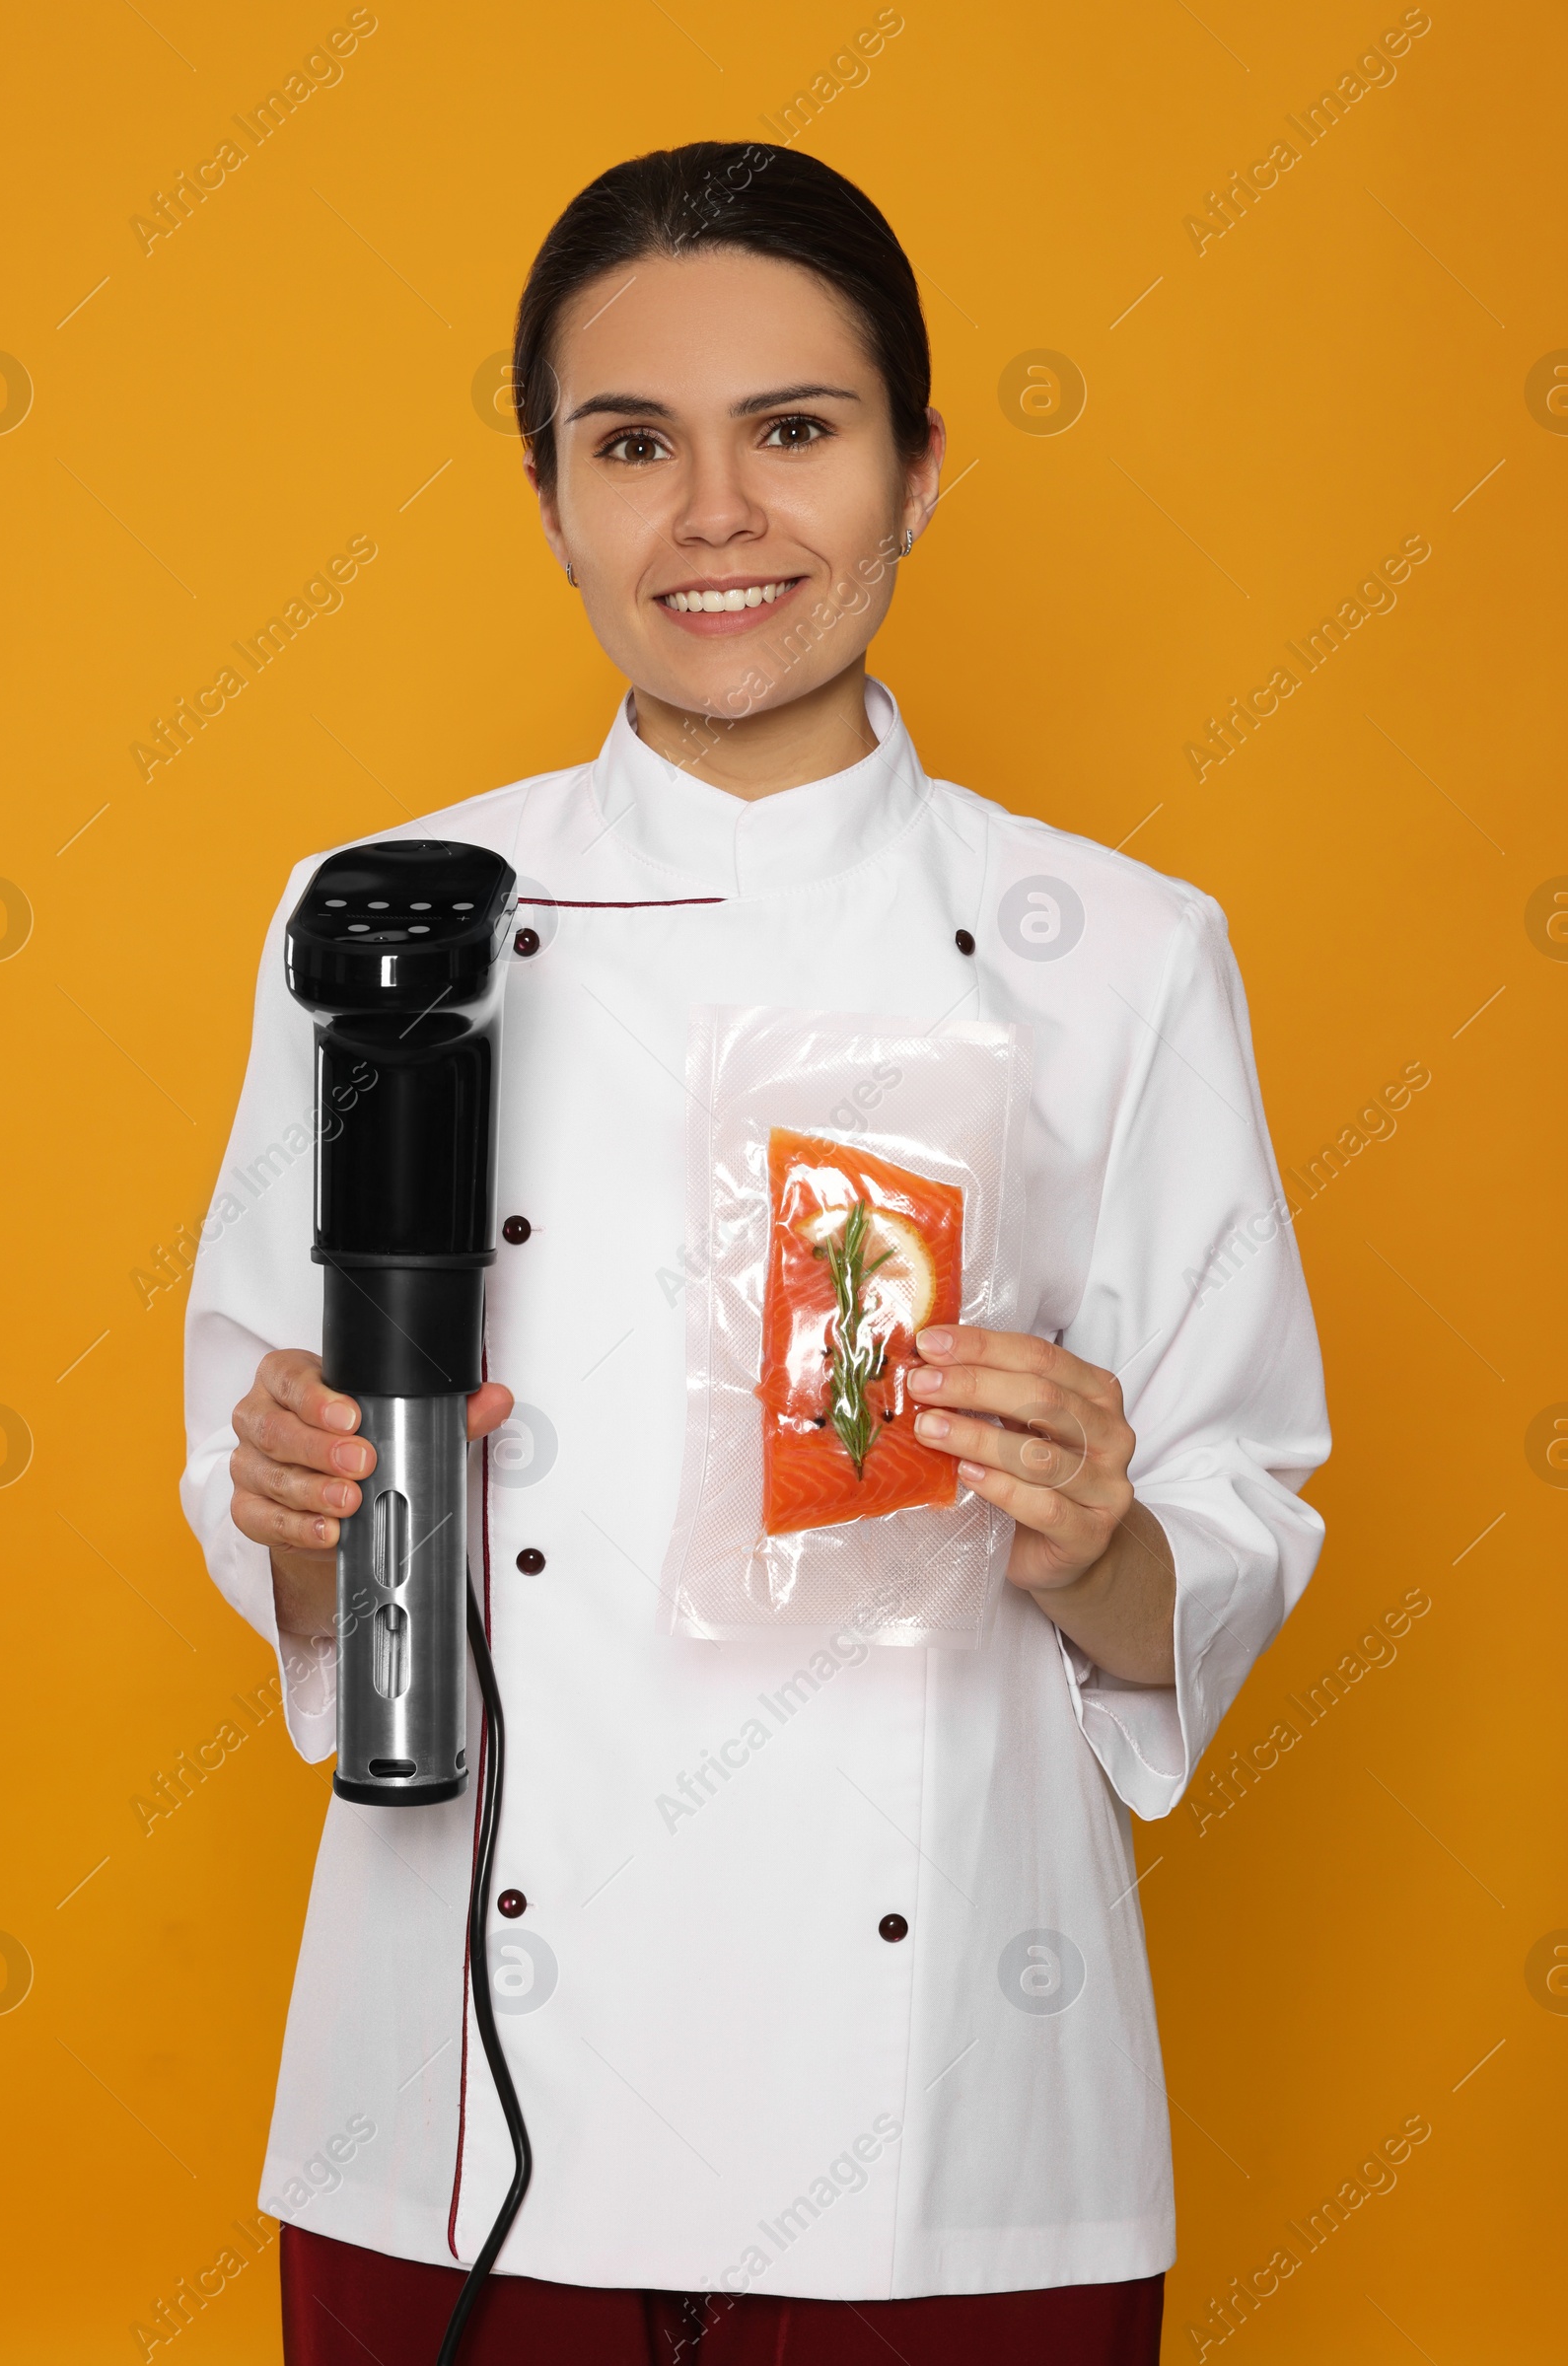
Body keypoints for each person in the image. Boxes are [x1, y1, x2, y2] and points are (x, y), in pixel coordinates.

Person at [181, 141, 1329, 2366]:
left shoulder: (1113, 957)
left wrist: (1092, 1529)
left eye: (791, 432)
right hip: (456, 2107)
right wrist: (300, 1511)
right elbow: (281, 1534)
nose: (713, 515)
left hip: (943, 2135)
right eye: (631, 445)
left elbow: (1227, 1523)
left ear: (913, 473)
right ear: (549, 498)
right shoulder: (385, 918)